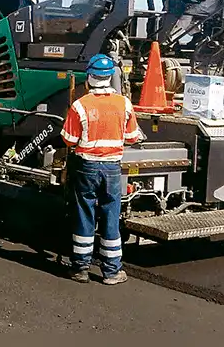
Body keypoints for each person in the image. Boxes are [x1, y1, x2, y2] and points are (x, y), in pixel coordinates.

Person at [60, 53, 143, 285]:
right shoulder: (124, 104)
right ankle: (112, 271)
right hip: (112, 168)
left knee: (84, 213)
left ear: (89, 79)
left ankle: (81, 268)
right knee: (110, 215)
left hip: (86, 167)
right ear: (110, 77)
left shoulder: (80, 106)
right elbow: (132, 137)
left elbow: (68, 139)